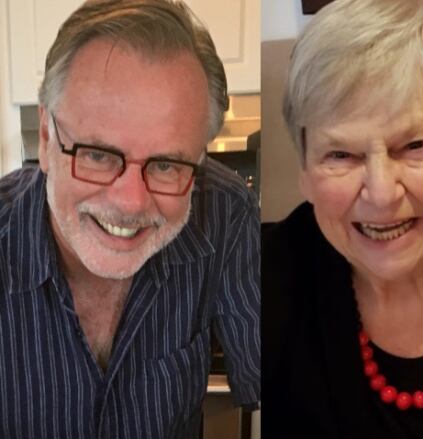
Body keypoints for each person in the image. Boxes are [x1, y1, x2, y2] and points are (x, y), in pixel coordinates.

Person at [261, 0, 423, 437]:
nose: (381, 195)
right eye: (340, 154)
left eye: (415, 145)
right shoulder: (257, 281)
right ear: (304, 172)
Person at [0, 1, 260, 437]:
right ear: (46, 138)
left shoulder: (225, 215)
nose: (132, 203)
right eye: (98, 155)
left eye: (166, 164)